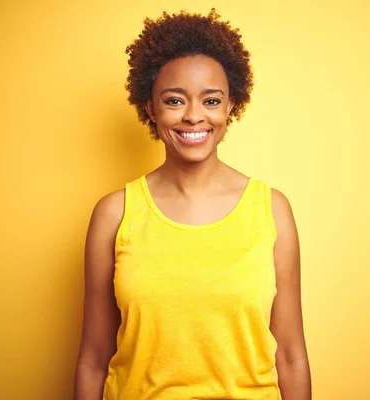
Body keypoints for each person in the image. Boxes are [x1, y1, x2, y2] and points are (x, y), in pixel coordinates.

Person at [74, 9, 311, 400]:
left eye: (211, 99)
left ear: (230, 106)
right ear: (151, 109)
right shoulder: (114, 213)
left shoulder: (271, 209)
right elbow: (94, 359)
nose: (194, 116)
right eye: (174, 100)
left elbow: (290, 356)